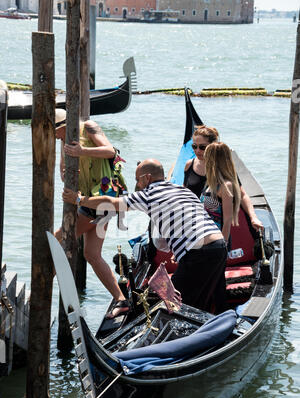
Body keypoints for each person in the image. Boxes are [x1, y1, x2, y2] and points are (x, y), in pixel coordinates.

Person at [62, 159, 229, 315]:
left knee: (174, 302)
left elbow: (112, 202)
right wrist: (178, 251)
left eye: (137, 180)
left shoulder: (149, 194)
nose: (137, 185)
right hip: (219, 246)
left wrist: (79, 199)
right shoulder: (183, 190)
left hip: (197, 254)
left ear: (147, 178)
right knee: (208, 299)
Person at [55, 109, 129, 317]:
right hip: (91, 200)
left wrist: (82, 153)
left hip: (103, 197)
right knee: (91, 254)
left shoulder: (88, 127)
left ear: (62, 126)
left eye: (54, 132)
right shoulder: (64, 141)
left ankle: (38, 294)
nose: (53, 137)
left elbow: (111, 151)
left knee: (58, 239)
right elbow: (63, 173)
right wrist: (66, 171)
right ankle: (121, 300)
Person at [184, 125, 263, 231]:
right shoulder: (189, 165)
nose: (197, 151)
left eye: (202, 147)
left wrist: (254, 217)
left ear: (213, 146)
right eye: (194, 146)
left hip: (216, 224)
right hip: (193, 222)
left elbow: (242, 195)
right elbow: (184, 192)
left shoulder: (223, 170)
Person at [200, 142, 241, 247]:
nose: (203, 160)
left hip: (217, 243)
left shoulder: (225, 186)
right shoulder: (210, 183)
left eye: (206, 157)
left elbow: (227, 219)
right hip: (204, 238)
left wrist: (223, 245)